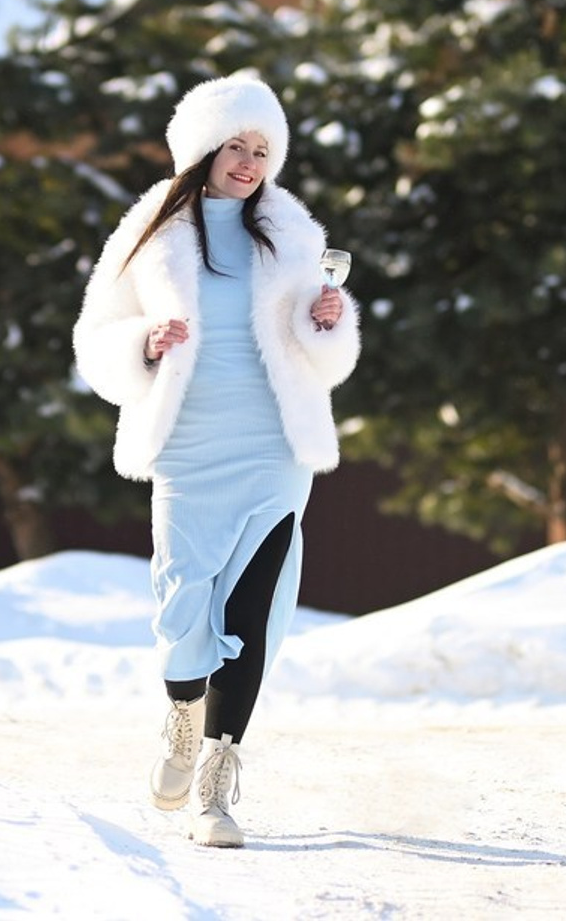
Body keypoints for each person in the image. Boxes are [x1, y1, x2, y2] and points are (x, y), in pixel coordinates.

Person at [72, 72, 361, 848]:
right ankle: (181, 709)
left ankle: (216, 781)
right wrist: (143, 344)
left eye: (263, 148)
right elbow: (95, 341)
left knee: (253, 607)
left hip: (272, 442)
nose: (249, 160)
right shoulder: (147, 234)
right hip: (189, 444)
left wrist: (328, 320)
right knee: (180, 603)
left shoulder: (294, 233)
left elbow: (321, 350)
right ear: (202, 148)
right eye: (236, 144)